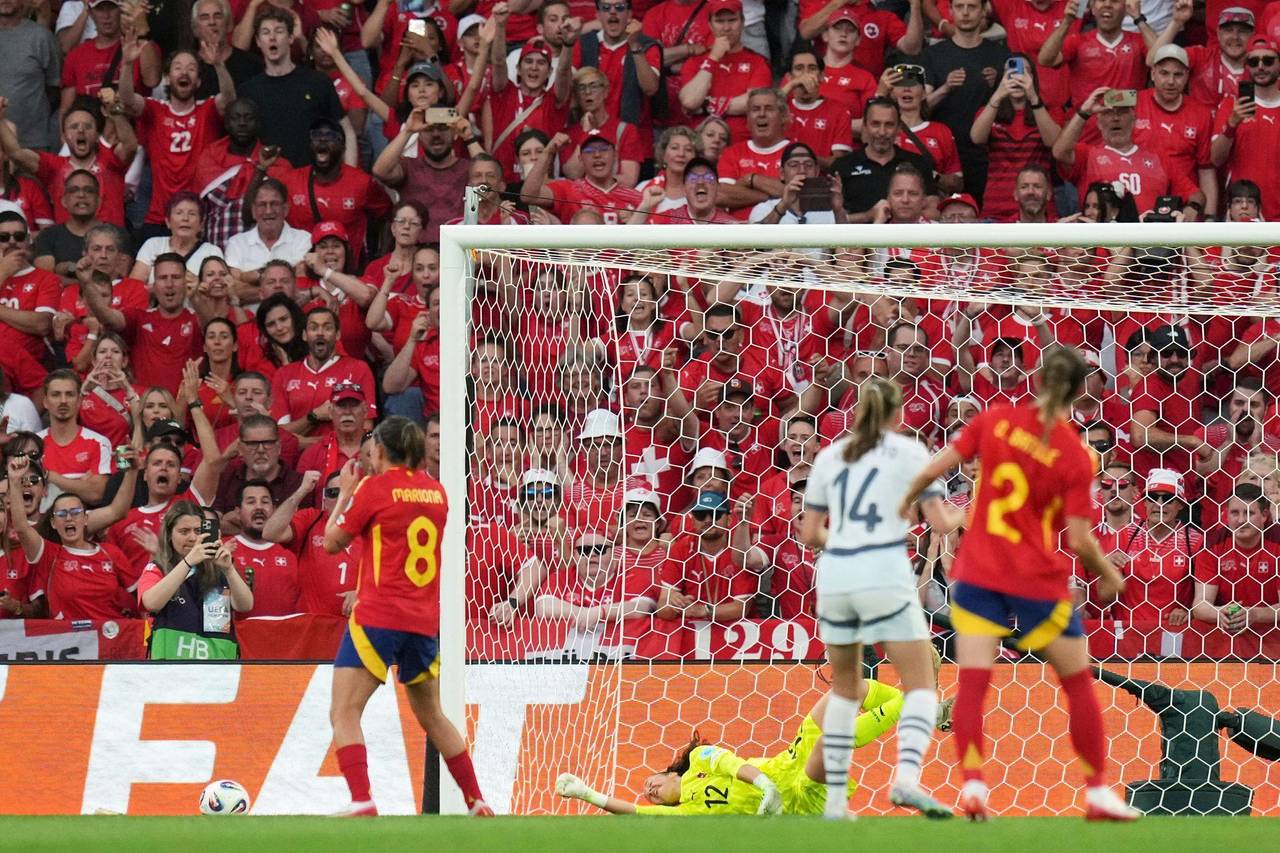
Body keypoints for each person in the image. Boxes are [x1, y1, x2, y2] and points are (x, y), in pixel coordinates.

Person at [899, 345, 1139, 822]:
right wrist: (1110, 573)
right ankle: (1096, 792)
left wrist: (903, 504)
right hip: (1034, 578)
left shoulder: (994, 422)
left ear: (1038, 378)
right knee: (1078, 683)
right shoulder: (1077, 456)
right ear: (1080, 392)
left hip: (977, 573)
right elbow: (1079, 539)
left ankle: (972, 786)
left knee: (972, 682)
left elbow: (929, 470)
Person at [799, 375, 959, 818]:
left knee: (846, 689)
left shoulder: (830, 457)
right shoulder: (910, 454)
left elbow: (810, 533)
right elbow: (941, 523)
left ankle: (834, 801)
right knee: (922, 684)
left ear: (857, 412)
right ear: (899, 414)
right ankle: (905, 779)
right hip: (884, 572)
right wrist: (968, 512)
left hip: (836, 576)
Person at [324, 416, 493, 817]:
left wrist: (345, 493)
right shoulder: (437, 492)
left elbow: (331, 543)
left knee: (344, 711)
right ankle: (476, 800)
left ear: (380, 450)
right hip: (422, 620)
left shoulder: (374, 488)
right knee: (433, 715)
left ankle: (362, 799)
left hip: (378, 614)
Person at [555, 675, 918, 814]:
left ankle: (919, 705)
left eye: (650, 783)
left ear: (668, 772)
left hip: (786, 765)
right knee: (831, 741)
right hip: (800, 799)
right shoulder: (687, 813)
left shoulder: (700, 757)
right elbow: (634, 812)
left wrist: (764, 784)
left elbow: (731, 764)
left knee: (847, 690)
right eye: (650, 795)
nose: (649, 792)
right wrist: (588, 794)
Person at [137, 501, 253, 659]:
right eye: (184, 531)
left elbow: (245, 606)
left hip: (218, 666)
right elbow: (151, 603)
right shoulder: (158, 568)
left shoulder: (221, 567)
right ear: (169, 534)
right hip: (171, 666)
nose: (192, 538)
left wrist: (229, 570)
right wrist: (188, 562)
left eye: (198, 531)